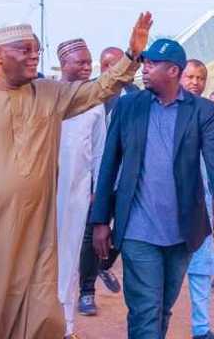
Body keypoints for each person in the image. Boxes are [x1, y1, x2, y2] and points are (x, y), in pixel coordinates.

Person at [0, 17, 149, 338]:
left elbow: (99, 89)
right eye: (24, 50)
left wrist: (131, 55)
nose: (34, 56)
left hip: (36, 234)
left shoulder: (50, 94)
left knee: (39, 313)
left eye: (37, 50)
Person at [90, 39, 214, 338]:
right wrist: (100, 220)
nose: (143, 70)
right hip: (137, 229)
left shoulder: (202, 110)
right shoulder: (128, 105)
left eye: (151, 64)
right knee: (146, 309)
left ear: (173, 71)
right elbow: (109, 163)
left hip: (183, 231)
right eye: (144, 63)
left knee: (162, 308)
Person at [54, 39, 109, 339]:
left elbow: (100, 151)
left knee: (70, 258)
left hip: (76, 194)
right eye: (81, 62)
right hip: (42, 193)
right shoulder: (46, 95)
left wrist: (96, 192)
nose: (88, 66)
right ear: (64, 63)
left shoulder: (95, 103)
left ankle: (66, 328)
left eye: (90, 62)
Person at [78, 47, 139, 317]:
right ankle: (86, 292)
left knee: (124, 231)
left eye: (118, 65)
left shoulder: (138, 97)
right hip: (96, 181)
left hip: (127, 179)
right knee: (92, 234)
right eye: (107, 65)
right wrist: (91, 183)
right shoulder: (88, 95)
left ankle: (105, 264)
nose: (113, 71)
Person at [176, 59, 214, 339]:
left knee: (201, 267)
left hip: (202, 202)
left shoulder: (207, 112)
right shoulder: (165, 108)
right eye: (190, 76)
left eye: (200, 77)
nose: (195, 82)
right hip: (169, 203)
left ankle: (202, 328)